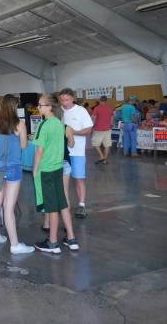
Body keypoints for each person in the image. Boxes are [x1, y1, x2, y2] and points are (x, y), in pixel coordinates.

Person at [0, 94, 34, 255]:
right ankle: (14, 244)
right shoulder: (19, 124)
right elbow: (23, 145)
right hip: (13, 167)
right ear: (15, 107)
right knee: (9, 207)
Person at [33, 94, 79, 254]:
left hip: (46, 170)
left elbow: (39, 150)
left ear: (50, 107)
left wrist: (34, 170)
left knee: (52, 207)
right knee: (62, 204)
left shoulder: (44, 125)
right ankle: (71, 239)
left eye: (41, 105)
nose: (38, 108)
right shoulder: (61, 125)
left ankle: (52, 242)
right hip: (58, 168)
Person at [59, 88, 94, 219]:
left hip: (77, 151)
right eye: (62, 100)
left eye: (67, 99)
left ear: (73, 98)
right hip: (62, 152)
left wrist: (73, 132)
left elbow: (88, 130)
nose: (64, 102)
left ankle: (82, 205)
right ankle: (63, 205)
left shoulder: (81, 111)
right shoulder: (59, 112)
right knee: (63, 181)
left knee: (79, 178)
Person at [91, 96, 115, 164]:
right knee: (107, 145)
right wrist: (111, 125)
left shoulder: (97, 108)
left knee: (95, 144)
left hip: (98, 129)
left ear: (100, 100)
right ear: (106, 100)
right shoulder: (110, 108)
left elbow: (93, 118)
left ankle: (101, 156)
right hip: (108, 129)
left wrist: (92, 126)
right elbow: (112, 118)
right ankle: (104, 160)